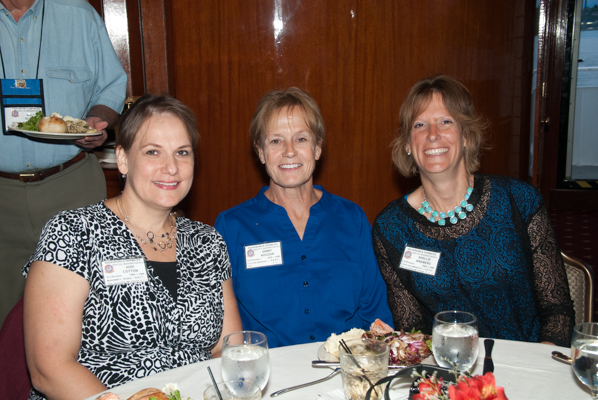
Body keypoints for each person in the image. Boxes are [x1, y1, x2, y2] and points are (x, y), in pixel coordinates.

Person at [22, 95, 242, 400]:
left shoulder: (208, 242)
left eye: (182, 152)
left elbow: (227, 348)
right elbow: (49, 367)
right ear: (123, 159)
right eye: (153, 152)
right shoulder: (73, 233)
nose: (171, 167)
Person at [373, 75, 575, 347]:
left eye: (446, 121)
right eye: (419, 125)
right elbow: (413, 328)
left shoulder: (518, 201)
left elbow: (557, 311)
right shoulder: (390, 228)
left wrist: (536, 373)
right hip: (449, 373)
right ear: (408, 144)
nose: (433, 134)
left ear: (466, 135)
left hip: (528, 367)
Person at [215, 87, 393, 348]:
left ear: (317, 148)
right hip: (270, 380)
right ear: (261, 152)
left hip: (346, 371)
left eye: (301, 139)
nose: (289, 151)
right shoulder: (232, 227)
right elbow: (225, 335)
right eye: (276, 140)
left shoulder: (351, 218)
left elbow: (376, 315)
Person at [0, 0, 127, 326]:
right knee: (6, 324)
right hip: (2, 201)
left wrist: (98, 119)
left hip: (71, 189)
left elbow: (111, 85)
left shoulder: (78, 14)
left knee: (91, 310)